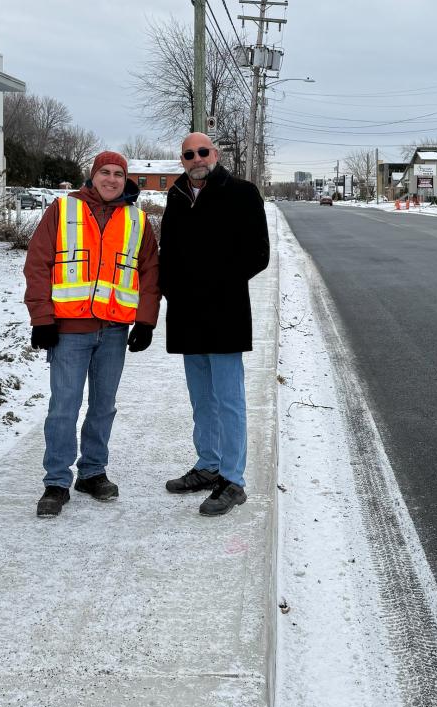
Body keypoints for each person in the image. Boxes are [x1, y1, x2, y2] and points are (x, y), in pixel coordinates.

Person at [24, 151, 160, 517]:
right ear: (92, 175)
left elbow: (150, 273)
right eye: (105, 172)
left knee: (103, 407)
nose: (112, 179)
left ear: (126, 179)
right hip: (68, 331)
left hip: (114, 331)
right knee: (63, 408)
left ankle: (93, 472)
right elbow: (37, 263)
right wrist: (42, 318)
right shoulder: (63, 210)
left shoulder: (137, 220)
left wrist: (146, 321)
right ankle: (56, 481)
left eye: (118, 174)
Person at [159, 133, 269, 516]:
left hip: (224, 312)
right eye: (189, 154)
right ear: (182, 160)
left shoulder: (241, 192)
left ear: (215, 155)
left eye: (203, 152)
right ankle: (208, 465)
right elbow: (167, 253)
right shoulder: (176, 196)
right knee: (201, 398)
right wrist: (171, 290)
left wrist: (214, 283)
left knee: (228, 399)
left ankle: (232, 479)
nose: (196, 158)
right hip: (187, 315)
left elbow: (259, 254)